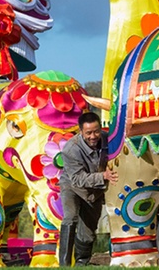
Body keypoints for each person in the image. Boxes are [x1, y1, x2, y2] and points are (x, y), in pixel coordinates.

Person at [58, 112, 119, 266]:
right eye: (89, 133)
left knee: (89, 230)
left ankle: (82, 263)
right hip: (72, 186)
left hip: (95, 191)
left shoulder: (108, 139)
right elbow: (78, 179)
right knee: (70, 218)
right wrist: (103, 176)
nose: (93, 136)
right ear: (81, 132)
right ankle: (64, 265)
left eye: (96, 131)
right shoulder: (70, 149)